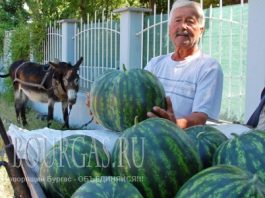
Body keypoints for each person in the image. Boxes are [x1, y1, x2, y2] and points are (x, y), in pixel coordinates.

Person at [145, 0, 223, 129]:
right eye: (178, 20)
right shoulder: (155, 63)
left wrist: (174, 124)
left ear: (201, 30)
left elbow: (200, 117)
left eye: (190, 21)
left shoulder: (209, 67)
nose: (183, 26)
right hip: (147, 131)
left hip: (182, 140)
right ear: (170, 29)